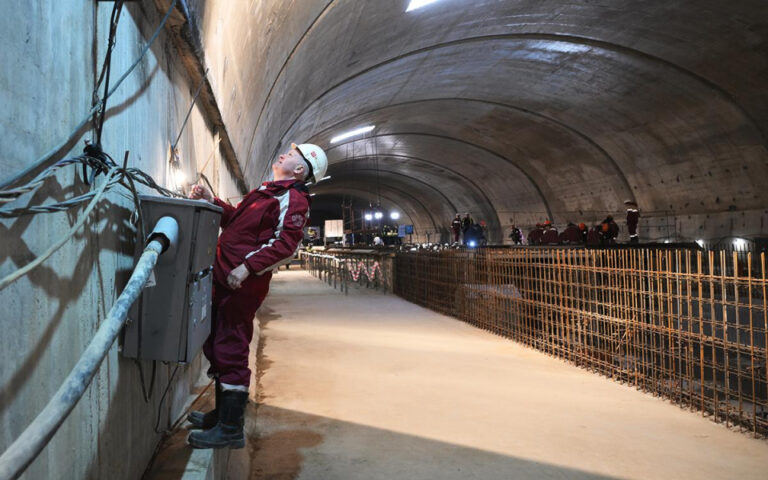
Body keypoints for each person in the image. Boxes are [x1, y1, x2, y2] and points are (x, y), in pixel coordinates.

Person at [186, 142, 327, 449]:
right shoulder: (266, 192)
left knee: (231, 347)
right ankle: (222, 415)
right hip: (224, 276)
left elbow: (286, 245)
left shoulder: (293, 198)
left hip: (241, 284)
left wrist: (247, 267)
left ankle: (230, 428)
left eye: (292, 155)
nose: (284, 154)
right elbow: (236, 221)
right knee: (216, 343)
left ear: (299, 169)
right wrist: (213, 201)